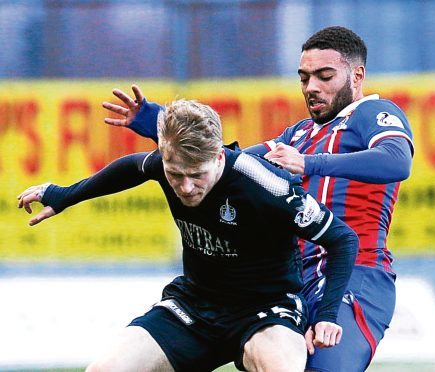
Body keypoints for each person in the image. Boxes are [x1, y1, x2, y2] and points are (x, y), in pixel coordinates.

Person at [102, 26, 414, 371]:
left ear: (357, 76)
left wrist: (308, 163)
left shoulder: (373, 114)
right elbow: (223, 163)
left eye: (324, 76)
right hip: (293, 282)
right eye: (304, 77)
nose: (311, 87)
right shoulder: (297, 134)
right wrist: (155, 120)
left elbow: (396, 160)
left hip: (355, 271)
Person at [18, 99, 358, 371]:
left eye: (197, 175)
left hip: (266, 310)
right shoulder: (167, 164)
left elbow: (343, 240)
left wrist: (327, 315)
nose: (186, 186)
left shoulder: (268, 185)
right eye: (175, 174)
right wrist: (64, 196)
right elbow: (128, 168)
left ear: (219, 155)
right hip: (193, 307)